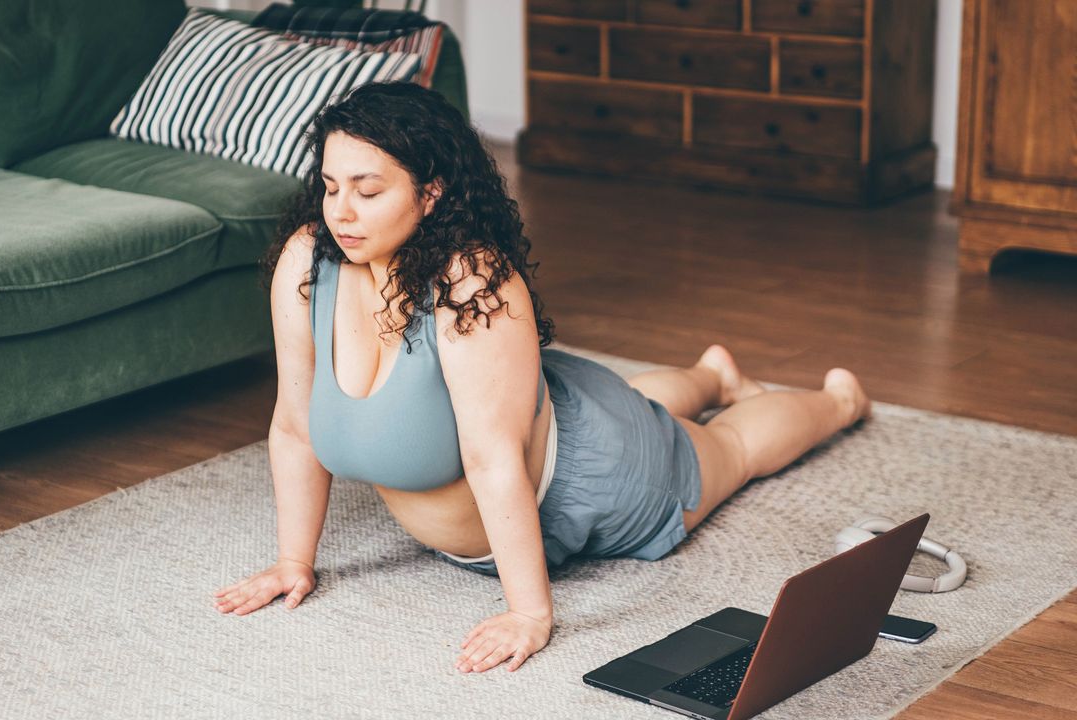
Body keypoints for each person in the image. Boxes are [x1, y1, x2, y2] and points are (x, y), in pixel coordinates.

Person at [212, 82, 871, 676]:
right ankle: (710, 372)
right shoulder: (309, 262)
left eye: (368, 189)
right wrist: (293, 561)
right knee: (638, 405)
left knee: (729, 451)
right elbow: (296, 426)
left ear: (431, 191)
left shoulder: (469, 280)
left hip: (593, 474)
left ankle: (839, 400)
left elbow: (494, 457)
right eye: (330, 186)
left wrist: (529, 613)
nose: (341, 212)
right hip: (539, 419)